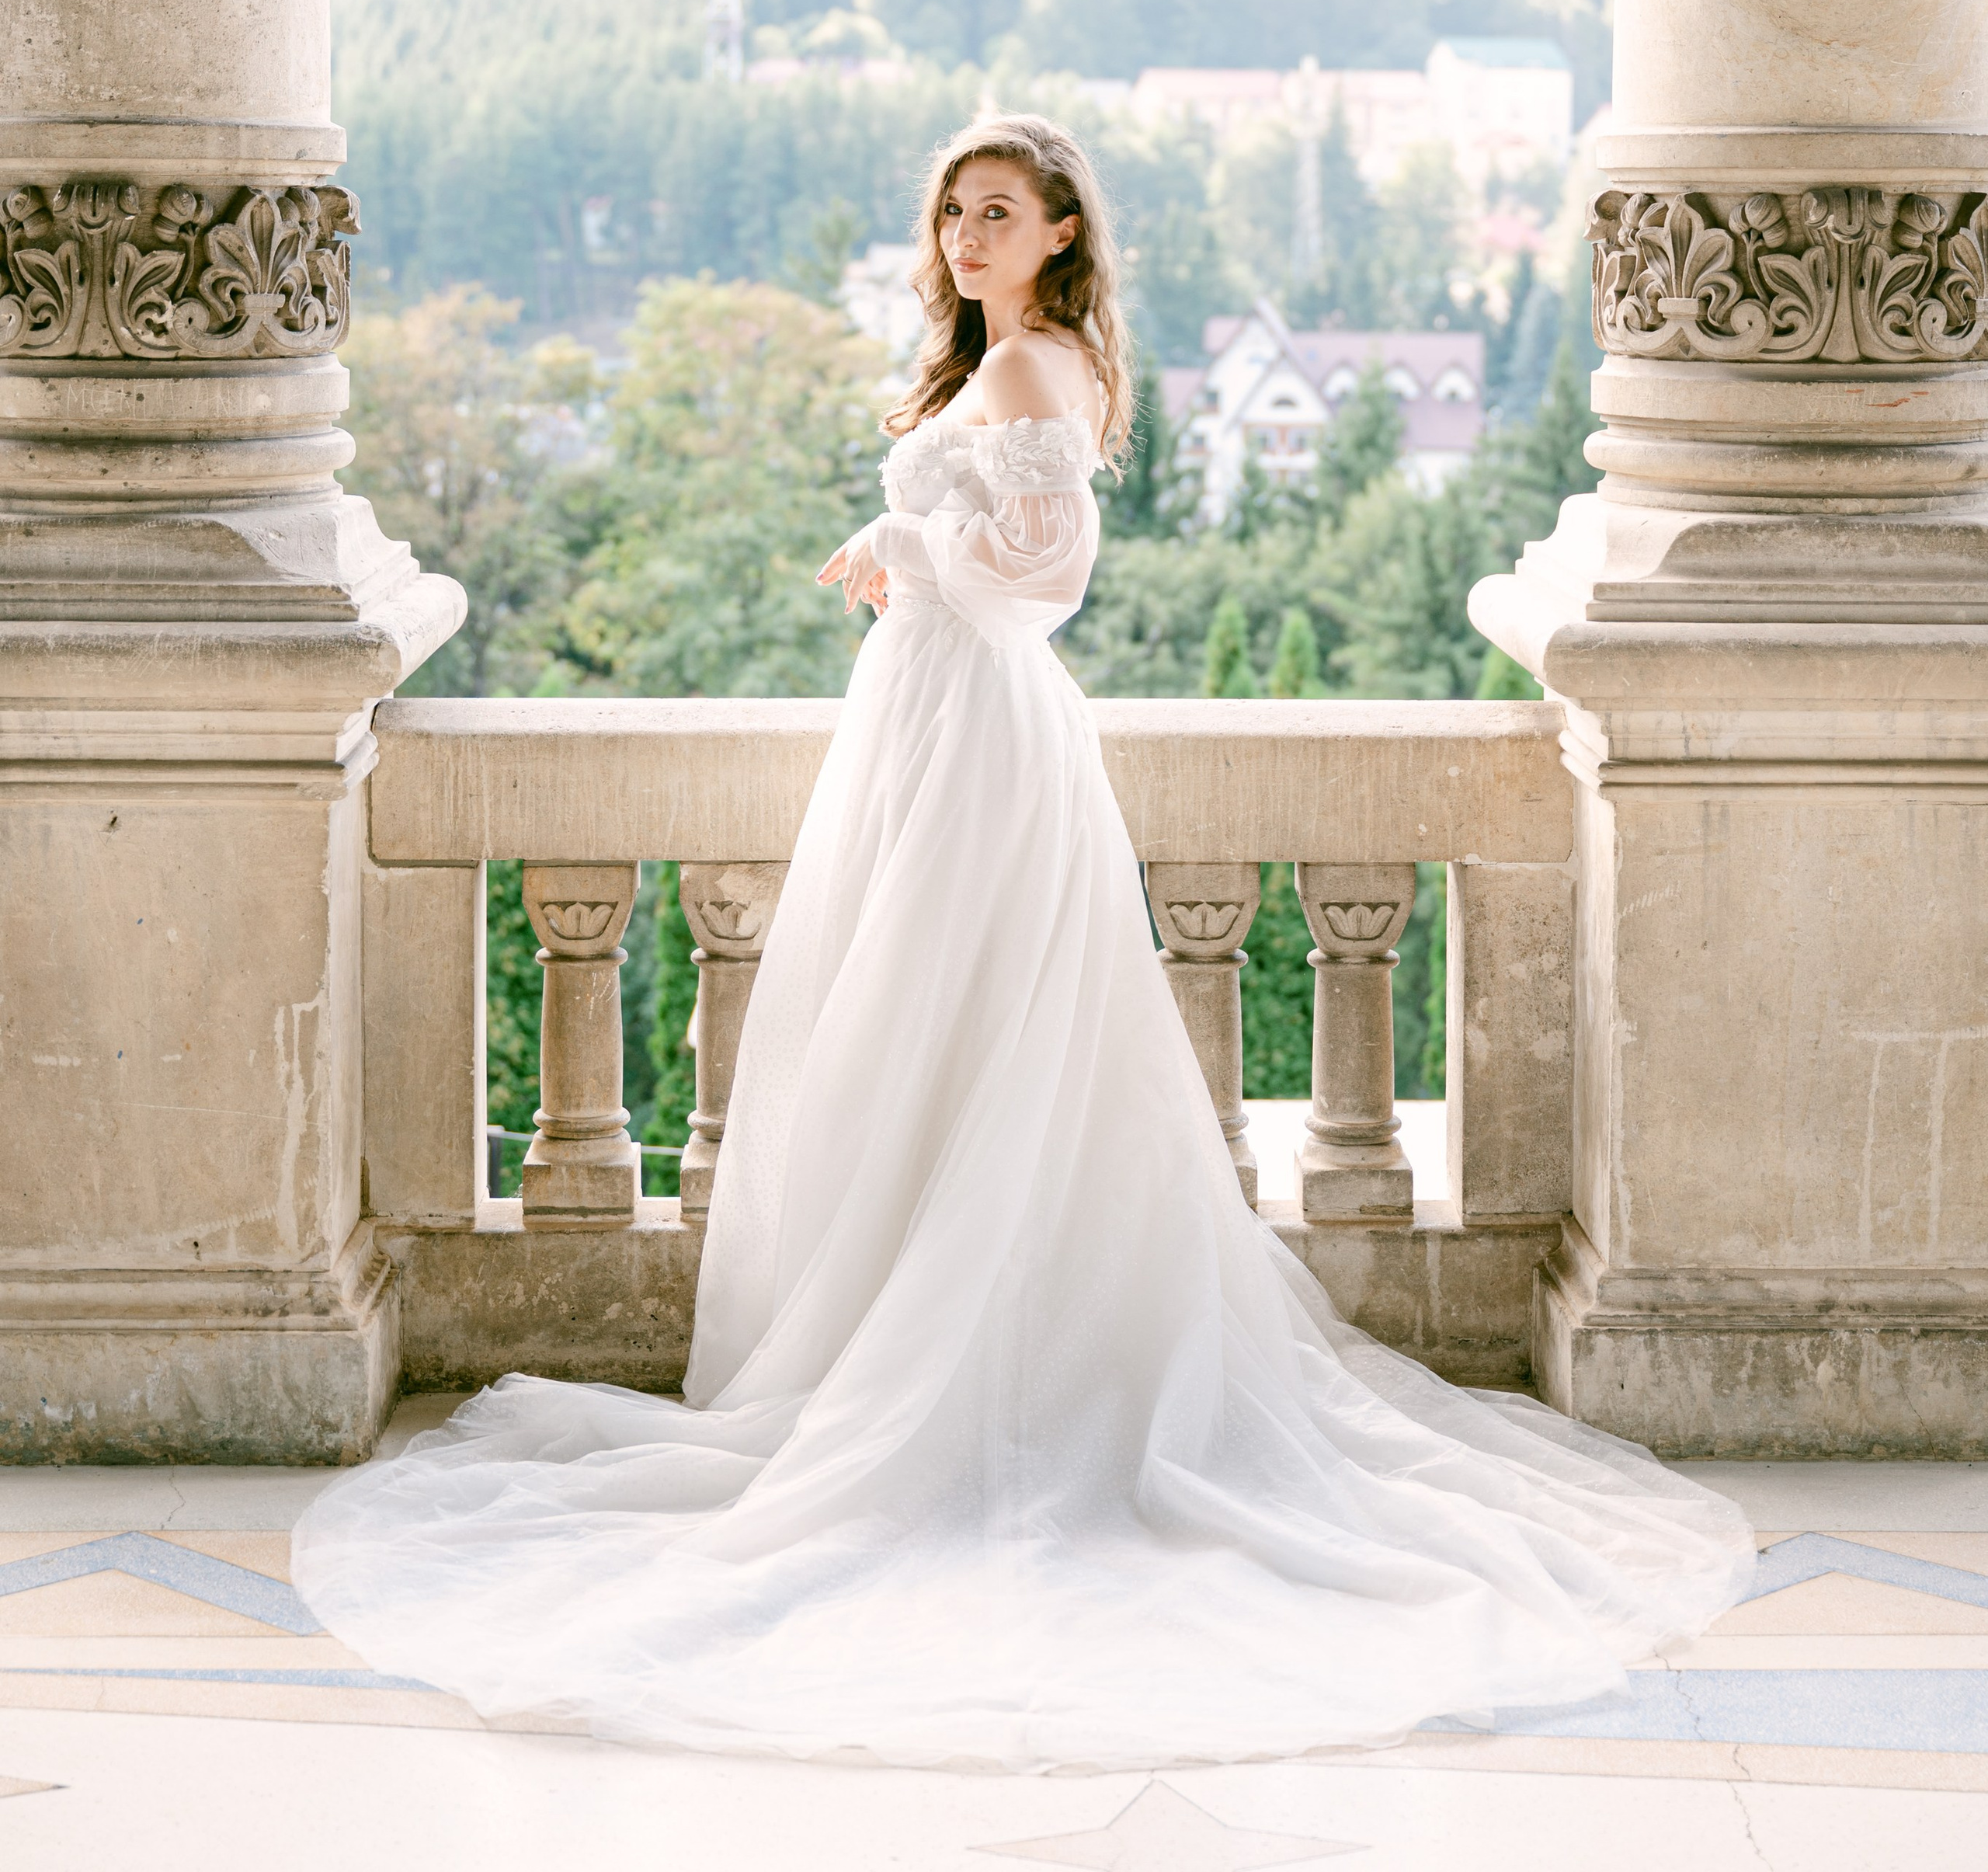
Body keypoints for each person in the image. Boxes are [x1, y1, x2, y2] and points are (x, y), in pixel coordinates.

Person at [293, 113, 1751, 1767]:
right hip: (933, 717)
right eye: (951, 212)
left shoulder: (1037, 365)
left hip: (980, 727)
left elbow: (1046, 578)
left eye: (997, 210)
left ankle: (983, 1384)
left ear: (1061, 231)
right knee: (915, 1033)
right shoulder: (1004, 363)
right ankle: (907, 1343)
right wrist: (918, 554)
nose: (965, 235)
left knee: (961, 1021)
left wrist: (906, 543)